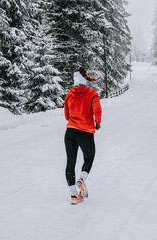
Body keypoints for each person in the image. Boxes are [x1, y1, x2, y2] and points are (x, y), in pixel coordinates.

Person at [63, 67, 102, 205]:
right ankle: (81, 180)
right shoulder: (92, 94)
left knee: (70, 162)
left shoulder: (69, 94)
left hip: (70, 133)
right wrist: (97, 123)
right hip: (85, 133)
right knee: (89, 157)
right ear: (85, 79)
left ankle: (74, 196)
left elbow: (66, 115)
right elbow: (97, 109)